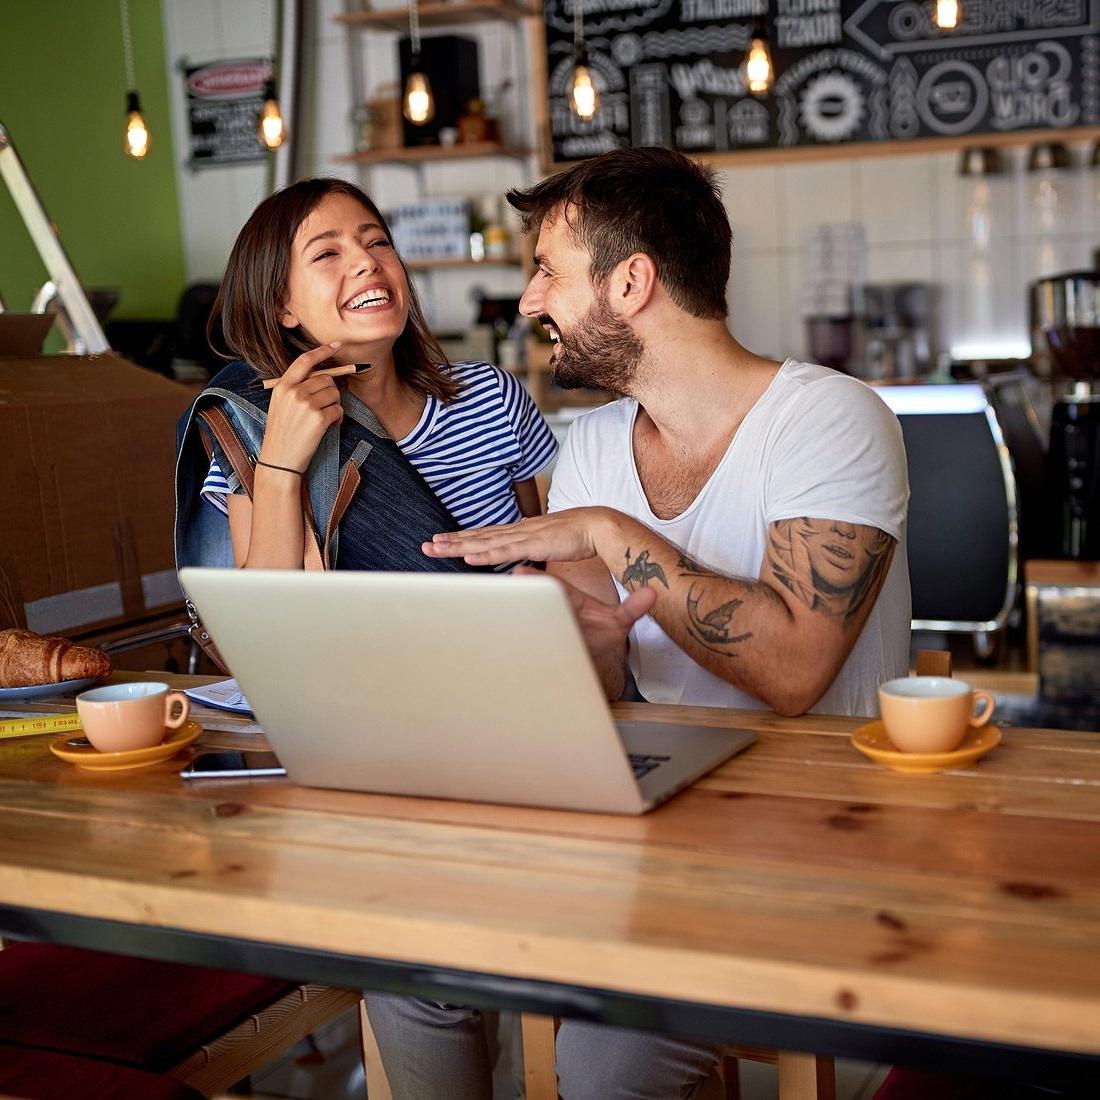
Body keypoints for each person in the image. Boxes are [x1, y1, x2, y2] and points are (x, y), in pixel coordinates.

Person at [368, 146, 911, 1098]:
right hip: (654, 827)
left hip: (819, 845)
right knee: (407, 969)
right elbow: (592, 659)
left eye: (547, 270)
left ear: (631, 282)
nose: (531, 299)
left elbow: (790, 669)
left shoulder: (830, 418)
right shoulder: (593, 446)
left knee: (605, 1063)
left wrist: (609, 534)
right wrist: (517, 642)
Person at [174, 178, 557, 578]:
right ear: (281, 306)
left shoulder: (492, 397)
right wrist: (280, 466)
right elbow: (261, 621)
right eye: (326, 253)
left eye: (377, 243)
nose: (367, 261)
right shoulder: (256, 433)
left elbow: (538, 559)